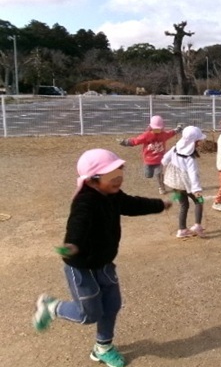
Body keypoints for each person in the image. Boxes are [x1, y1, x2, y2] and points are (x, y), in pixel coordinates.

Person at [32, 149, 171, 367]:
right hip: (82, 267)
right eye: (111, 175)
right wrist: (72, 244)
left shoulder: (114, 195)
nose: (118, 179)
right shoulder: (85, 201)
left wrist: (159, 205)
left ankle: (103, 347)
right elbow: (77, 223)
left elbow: (133, 204)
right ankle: (52, 307)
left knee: (112, 305)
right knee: (89, 314)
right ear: (92, 180)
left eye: (119, 173)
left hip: (104, 262)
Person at [118, 115, 182, 194]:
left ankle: (161, 188)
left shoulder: (163, 134)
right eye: (156, 129)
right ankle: (154, 177)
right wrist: (126, 142)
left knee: (159, 174)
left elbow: (171, 133)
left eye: (159, 129)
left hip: (159, 160)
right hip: (148, 160)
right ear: (151, 127)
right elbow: (136, 140)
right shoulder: (146, 135)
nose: (158, 130)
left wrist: (178, 129)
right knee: (148, 175)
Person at [162, 126, 207, 238]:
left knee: (183, 205)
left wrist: (166, 163)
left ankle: (182, 230)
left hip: (174, 183)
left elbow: (165, 159)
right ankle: (197, 226)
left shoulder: (175, 148)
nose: (199, 143)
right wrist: (196, 190)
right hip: (186, 184)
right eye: (198, 141)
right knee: (200, 201)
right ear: (193, 142)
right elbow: (193, 174)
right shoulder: (190, 158)